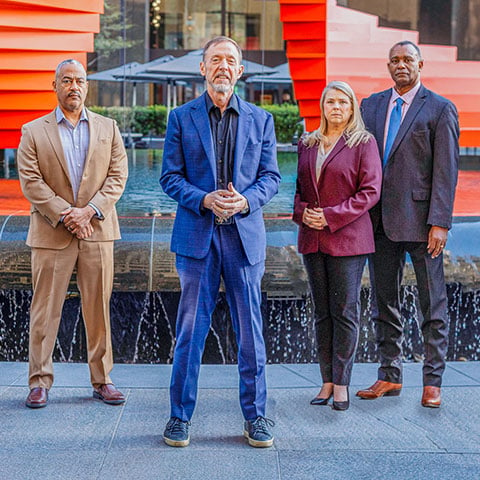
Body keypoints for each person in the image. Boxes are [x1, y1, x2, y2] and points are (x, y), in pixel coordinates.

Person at [160, 36, 280, 448]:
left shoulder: (262, 120)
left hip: (244, 239)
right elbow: (169, 178)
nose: (223, 66)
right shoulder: (180, 117)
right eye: (215, 60)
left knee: (251, 332)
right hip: (197, 236)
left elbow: (272, 178)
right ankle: (179, 417)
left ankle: (256, 416)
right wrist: (205, 199)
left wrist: (245, 201)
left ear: (240, 70)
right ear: (203, 67)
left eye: (231, 60)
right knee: (190, 331)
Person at [17, 59, 128, 409]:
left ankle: (103, 379)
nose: (73, 86)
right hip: (52, 233)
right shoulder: (33, 131)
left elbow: (117, 176)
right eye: (66, 80)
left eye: (79, 80)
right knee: (45, 310)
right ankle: (39, 381)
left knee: (99, 310)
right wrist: (68, 215)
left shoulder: (108, 128)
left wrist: (89, 211)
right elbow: (31, 182)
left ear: (86, 86)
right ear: (55, 86)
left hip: (97, 230)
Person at [356, 41, 459, 408]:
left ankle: (433, 382)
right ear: (388, 66)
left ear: (420, 64)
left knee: (433, 305)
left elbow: (446, 172)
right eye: (395, 60)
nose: (401, 65)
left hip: (422, 224)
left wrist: (440, 223)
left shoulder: (440, 108)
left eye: (408, 60)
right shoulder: (370, 106)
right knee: (384, 302)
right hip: (378, 222)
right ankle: (389, 375)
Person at [293, 81, 381, 411]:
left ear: (352, 107)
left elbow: (370, 192)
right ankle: (326, 381)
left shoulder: (363, 143)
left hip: (348, 239)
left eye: (343, 102)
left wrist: (330, 216)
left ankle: (342, 383)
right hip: (313, 238)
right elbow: (298, 193)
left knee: (344, 312)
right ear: (322, 106)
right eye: (331, 102)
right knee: (322, 313)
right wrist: (305, 214)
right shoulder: (307, 142)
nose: (337, 107)